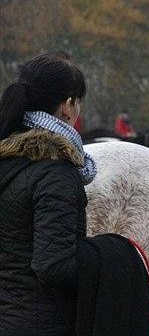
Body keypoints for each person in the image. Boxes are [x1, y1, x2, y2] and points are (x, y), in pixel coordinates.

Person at [0, 53, 93, 335]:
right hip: (41, 323)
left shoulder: (8, 158)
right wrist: (110, 258)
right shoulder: (55, 172)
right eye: (79, 103)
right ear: (68, 106)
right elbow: (54, 266)